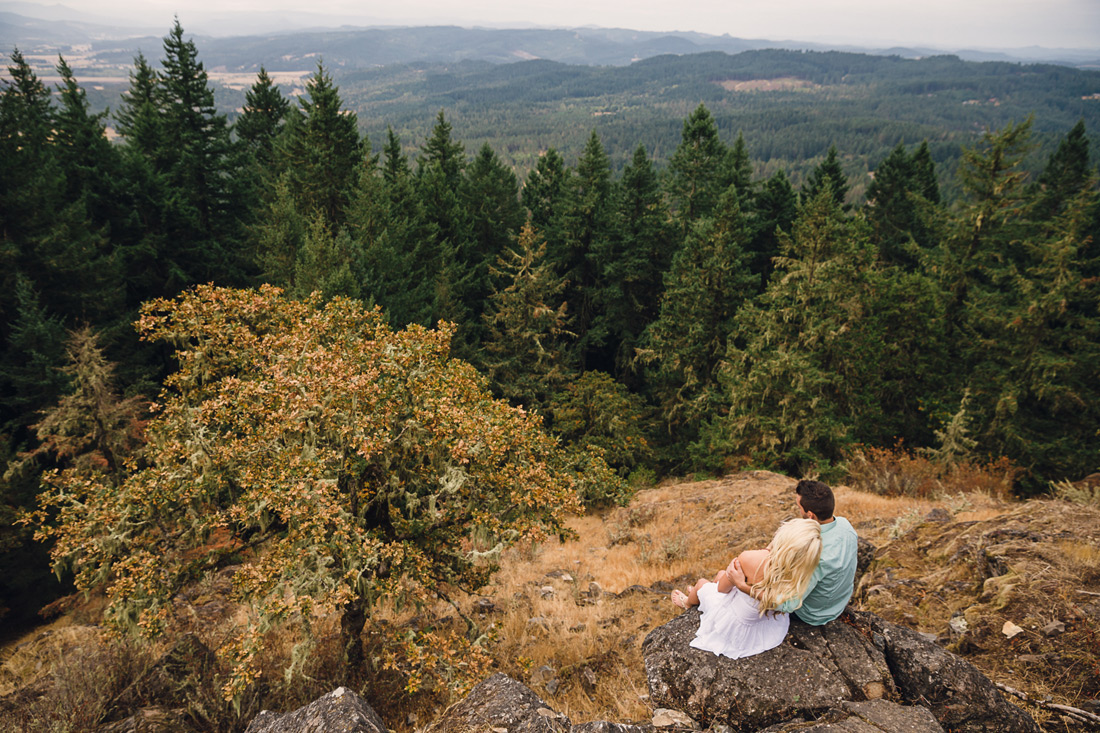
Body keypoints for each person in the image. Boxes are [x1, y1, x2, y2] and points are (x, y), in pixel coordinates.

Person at [669, 518, 822, 659]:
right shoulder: (803, 575)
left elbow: (722, 590)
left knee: (702, 583)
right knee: (721, 574)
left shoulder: (751, 558)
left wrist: (740, 584)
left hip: (736, 623)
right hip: (762, 621)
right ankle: (704, 592)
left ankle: (688, 603)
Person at [729, 479, 858, 626]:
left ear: (810, 515)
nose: (798, 510)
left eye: (799, 507)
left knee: (753, 568)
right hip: (838, 603)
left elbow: (788, 605)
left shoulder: (813, 554)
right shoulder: (844, 525)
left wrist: (742, 586)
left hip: (812, 615)